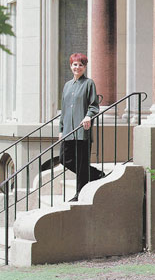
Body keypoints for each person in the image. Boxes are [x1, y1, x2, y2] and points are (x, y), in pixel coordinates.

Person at [59, 53, 99, 201]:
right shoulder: (67, 86)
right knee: (64, 158)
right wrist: (61, 129)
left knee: (82, 163)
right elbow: (64, 110)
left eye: (81, 65)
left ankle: (79, 194)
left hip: (82, 131)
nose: (77, 67)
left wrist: (88, 115)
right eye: (75, 64)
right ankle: (95, 174)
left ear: (85, 67)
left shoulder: (89, 83)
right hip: (69, 131)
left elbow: (94, 105)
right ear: (71, 66)